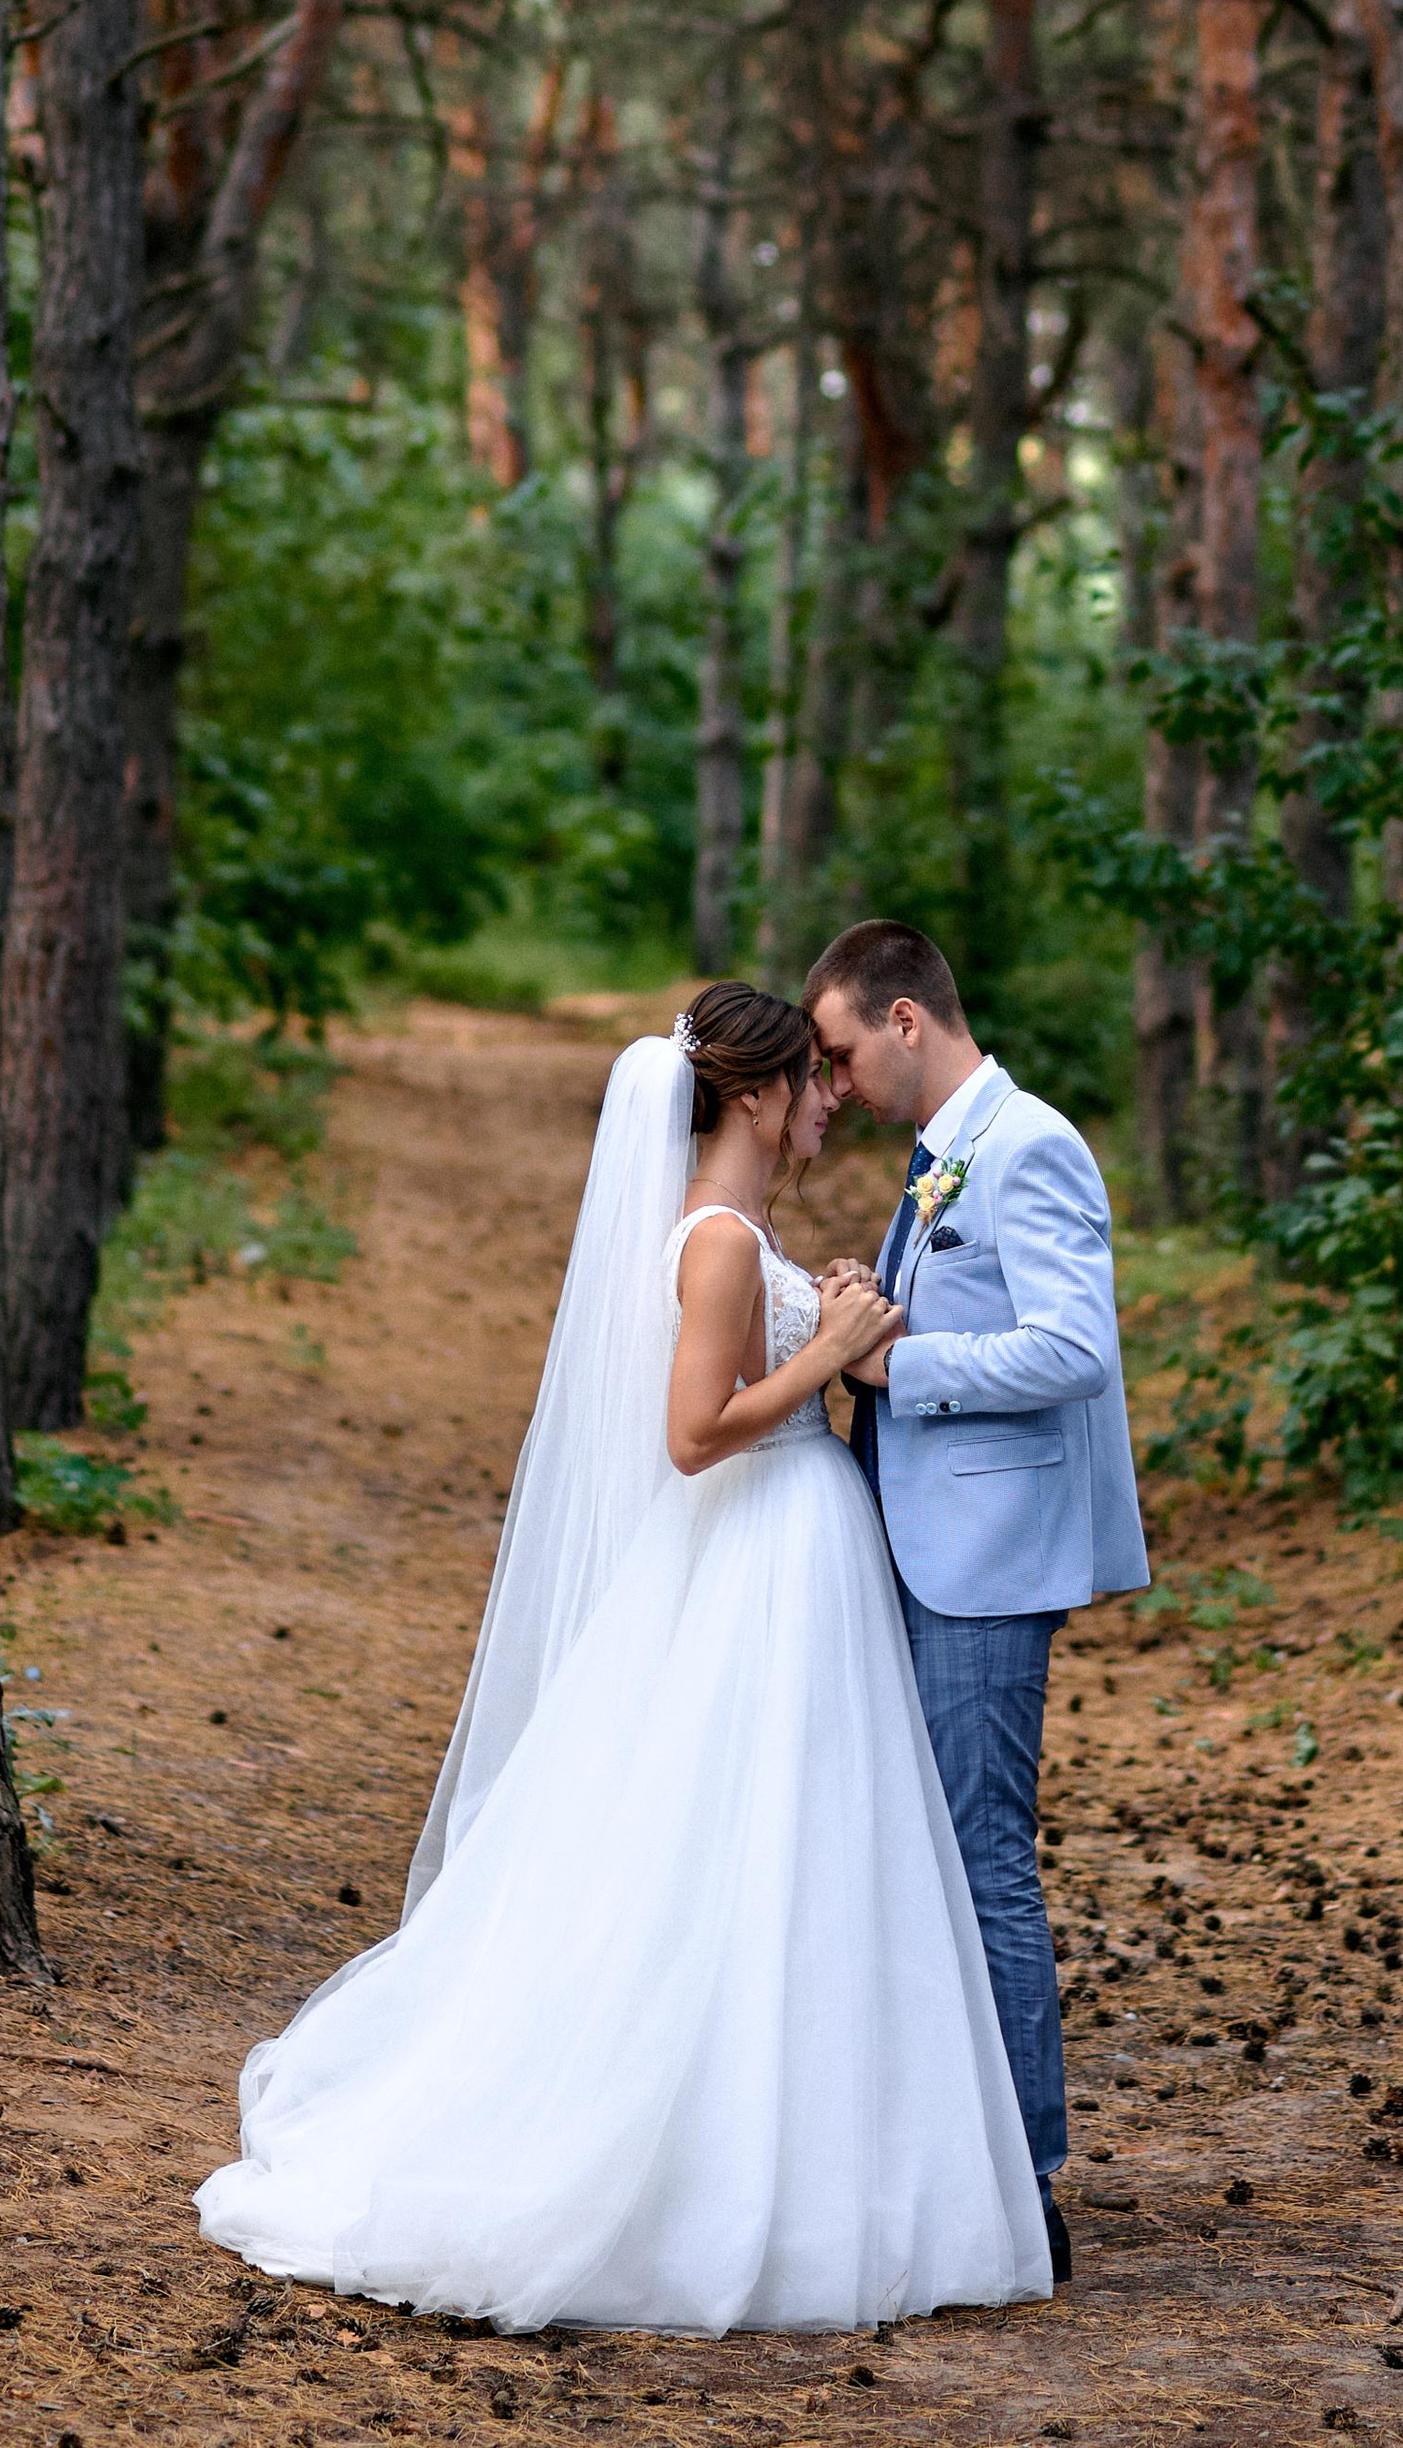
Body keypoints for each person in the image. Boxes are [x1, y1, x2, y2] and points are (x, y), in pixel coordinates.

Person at [195, 980, 1051, 2333]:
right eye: (814, 1082)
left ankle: (816, 2144)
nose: (832, 1099)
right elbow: (695, 1431)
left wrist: (829, 1317)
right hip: (760, 1535)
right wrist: (829, 1350)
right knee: (732, 1847)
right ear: (759, 1095)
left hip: (791, 1550)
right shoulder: (715, 1237)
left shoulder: (740, 1231)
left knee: (801, 1854)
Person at [802, 919, 1149, 2291]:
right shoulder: (945, 1152)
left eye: (838, 1050)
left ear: (902, 1018)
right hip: (926, 1536)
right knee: (932, 1849)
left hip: (984, 1557)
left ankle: (1028, 2180)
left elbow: (1074, 1347)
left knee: (983, 1854)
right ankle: (949, 2155)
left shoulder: (1031, 1143)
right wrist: (864, 1312)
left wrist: (898, 1363)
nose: (833, 1081)